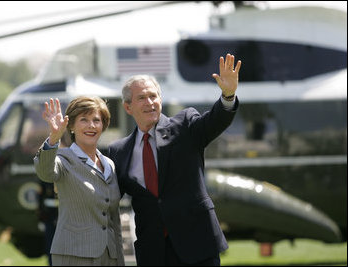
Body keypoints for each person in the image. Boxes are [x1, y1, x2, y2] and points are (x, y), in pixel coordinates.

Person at [107, 53, 241, 266]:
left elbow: (216, 121)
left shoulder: (185, 126)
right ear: (127, 107)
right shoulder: (118, 151)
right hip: (154, 252)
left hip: (197, 244)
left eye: (153, 96)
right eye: (142, 98)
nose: (150, 102)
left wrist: (227, 95)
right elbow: (107, 197)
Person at [34, 96, 125, 266]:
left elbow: (113, 219)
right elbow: (45, 172)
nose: (91, 125)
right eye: (84, 120)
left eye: (96, 120)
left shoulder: (109, 164)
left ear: (103, 125)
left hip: (110, 257)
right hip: (75, 256)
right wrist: (54, 138)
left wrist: (119, 259)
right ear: (72, 126)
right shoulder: (63, 159)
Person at [36, 181, 58, 266]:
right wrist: (41, 219)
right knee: (50, 245)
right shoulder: (44, 181)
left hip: (63, 218)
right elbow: (40, 199)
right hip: (49, 218)